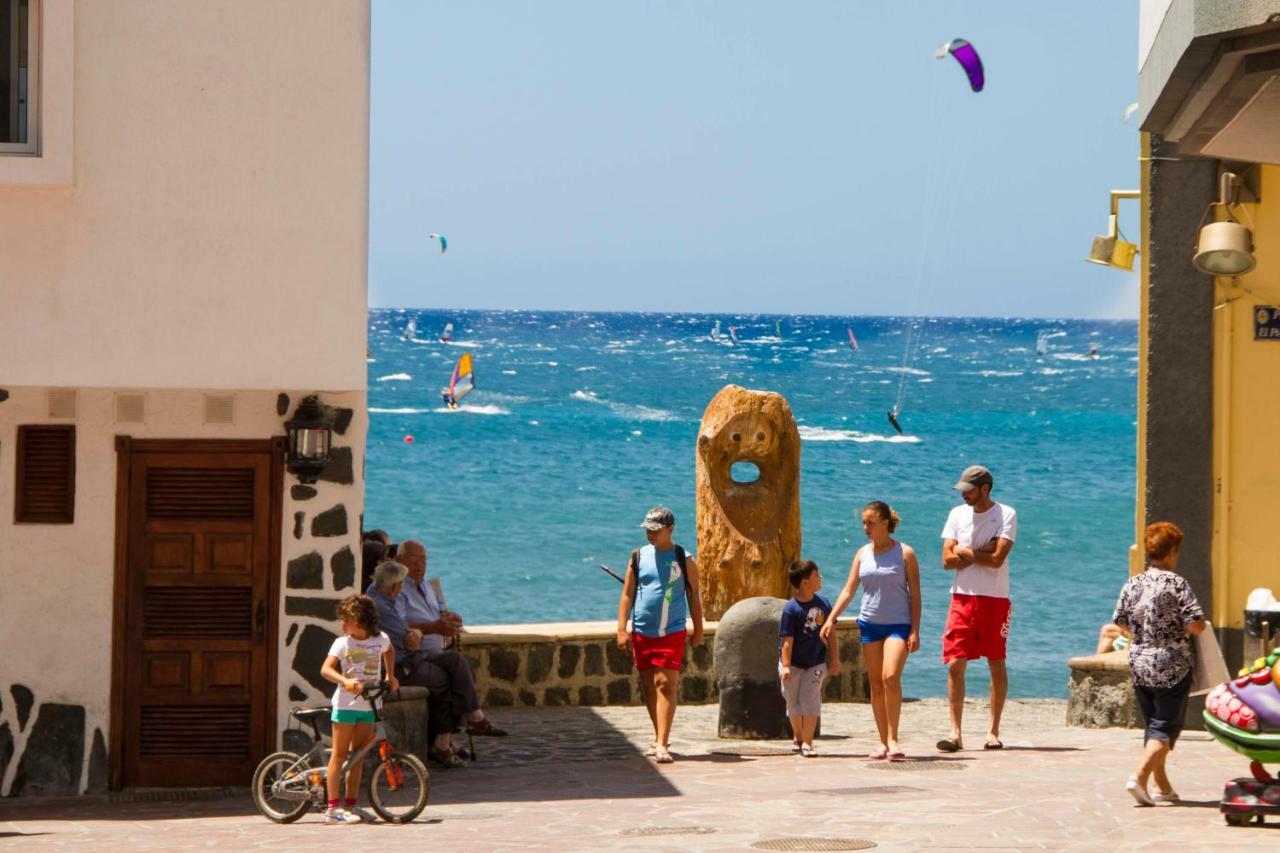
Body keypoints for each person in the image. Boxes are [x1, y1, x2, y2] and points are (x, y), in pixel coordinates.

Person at [1112, 521, 1206, 806]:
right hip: (1172, 664)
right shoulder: (1177, 584)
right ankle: (1139, 778)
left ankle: (1162, 785)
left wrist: (1145, 633)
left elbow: (1120, 622)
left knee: (1153, 724)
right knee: (1165, 726)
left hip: (1140, 664)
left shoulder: (1134, 583)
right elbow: (1195, 625)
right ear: (1172, 551)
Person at [396, 538, 506, 768]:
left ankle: (444, 742)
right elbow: (401, 625)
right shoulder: (398, 588)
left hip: (433, 652)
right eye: (414, 559)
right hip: (413, 656)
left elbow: (438, 614)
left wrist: (449, 619)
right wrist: (434, 627)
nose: (420, 565)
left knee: (453, 676)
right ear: (400, 560)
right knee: (453, 669)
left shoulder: (427, 587)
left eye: (424, 559)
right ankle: (470, 722)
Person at [823, 500, 921, 760]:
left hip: (898, 625)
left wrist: (915, 630)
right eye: (864, 523)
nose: (866, 527)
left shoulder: (905, 554)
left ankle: (894, 738)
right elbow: (849, 589)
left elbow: (916, 596)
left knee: (891, 677)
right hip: (870, 624)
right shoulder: (862, 553)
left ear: (885, 523)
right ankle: (882, 742)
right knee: (876, 684)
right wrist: (831, 618)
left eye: (871, 522)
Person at [615, 506, 705, 764]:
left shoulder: (684, 559)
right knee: (648, 686)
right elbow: (628, 594)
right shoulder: (637, 556)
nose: (650, 534)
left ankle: (663, 743)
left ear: (670, 530)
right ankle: (658, 737)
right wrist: (622, 629)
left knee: (666, 684)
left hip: (672, 631)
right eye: (647, 530)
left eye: (655, 530)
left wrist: (698, 630)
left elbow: (693, 597)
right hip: (642, 631)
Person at [938, 465, 1016, 752]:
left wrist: (964, 550)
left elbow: (997, 560)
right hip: (962, 597)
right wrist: (981, 552)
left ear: (985, 489)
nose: (965, 496)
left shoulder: (1005, 514)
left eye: (969, 490)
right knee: (955, 661)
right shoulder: (957, 515)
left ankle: (993, 732)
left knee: (995, 660)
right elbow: (946, 560)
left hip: (995, 597)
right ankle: (955, 733)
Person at [318, 594, 398, 825]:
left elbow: (389, 650)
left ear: (360, 620)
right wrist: (344, 681)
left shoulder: (380, 639)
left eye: (346, 620)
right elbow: (326, 669)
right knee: (339, 755)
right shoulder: (342, 643)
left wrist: (390, 676)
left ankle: (351, 805)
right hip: (345, 706)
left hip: (369, 705)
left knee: (358, 757)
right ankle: (332, 809)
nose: (343, 625)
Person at [779, 560, 838, 757]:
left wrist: (834, 659)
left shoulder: (824, 604)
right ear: (805, 582)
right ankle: (798, 736)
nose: (820, 578)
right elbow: (787, 641)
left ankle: (808, 742)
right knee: (793, 702)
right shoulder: (791, 609)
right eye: (816, 575)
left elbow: (832, 634)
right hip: (793, 664)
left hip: (816, 662)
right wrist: (786, 666)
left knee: (811, 701)